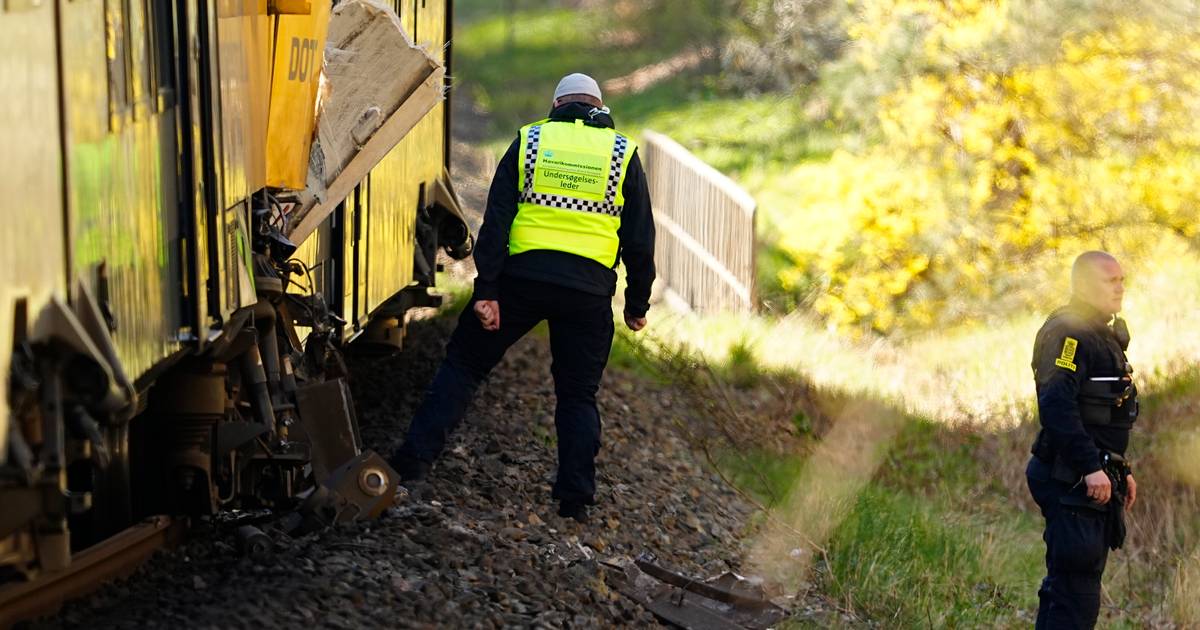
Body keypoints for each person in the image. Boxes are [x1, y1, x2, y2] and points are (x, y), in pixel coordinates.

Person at [387, 73, 655, 523]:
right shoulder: (622, 154)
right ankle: (575, 500)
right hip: (587, 293)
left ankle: (412, 462)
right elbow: (640, 240)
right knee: (577, 395)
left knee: (465, 366)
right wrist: (636, 304)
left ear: (557, 105)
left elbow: (496, 221)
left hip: (521, 281)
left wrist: (487, 291)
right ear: (599, 106)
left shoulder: (530, 142)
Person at [1026, 250, 1140, 629]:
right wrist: (1091, 467)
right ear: (1085, 285)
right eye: (1111, 281)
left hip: (1090, 474)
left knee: (1072, 589)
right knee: (1074, 595)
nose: (1120, 288)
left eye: (1122, 279)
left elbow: (1100, 414)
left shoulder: (1099, 332)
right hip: (1069, 476)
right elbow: (1056, 404)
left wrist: (1120, 469)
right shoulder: (1069, 332)